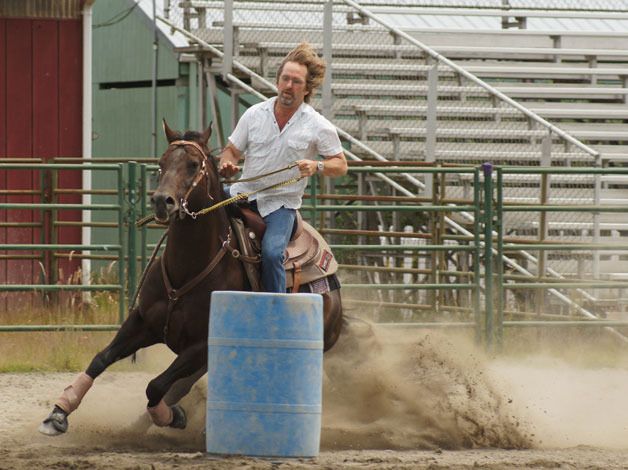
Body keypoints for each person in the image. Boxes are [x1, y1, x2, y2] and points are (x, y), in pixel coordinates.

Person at [218, 42, 348, 293]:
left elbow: (341, 165)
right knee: (196, 215)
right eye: (285, 79)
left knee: (271, 253)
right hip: (242, 193)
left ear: (307, 88)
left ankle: (276, 313)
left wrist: (316, 165)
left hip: (280, 205)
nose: (289, 85)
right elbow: (232, 150)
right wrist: (227, 163)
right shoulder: (255, 114)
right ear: (277, 81)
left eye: (296, 81)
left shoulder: (318, 125)